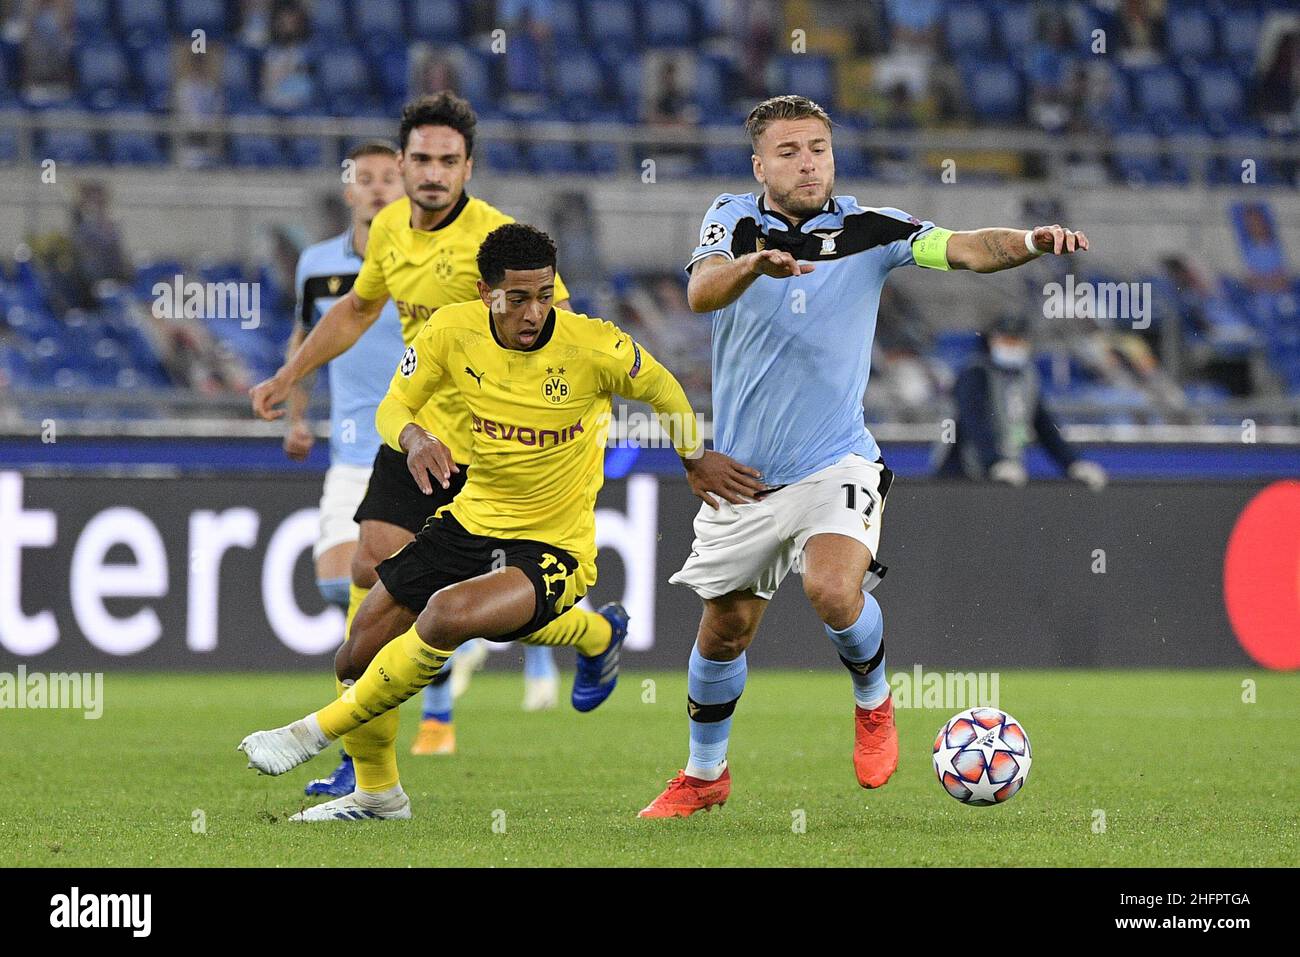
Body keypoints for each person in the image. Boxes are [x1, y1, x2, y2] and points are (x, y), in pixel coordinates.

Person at [638, 94, 1090, 818]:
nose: (808, 161)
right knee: (725, 629)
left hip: (836, 460)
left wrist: (1031, 241)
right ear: (759, 164)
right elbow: (700, 291)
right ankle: (704, 773)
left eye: (818, 146)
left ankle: (874, 703)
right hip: (748, 474)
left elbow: (966, 247)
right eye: (788, 150)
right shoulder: (730, 218)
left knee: (832, 587)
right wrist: (756, 263)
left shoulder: (869, 228)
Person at [238, 224, 753, 820]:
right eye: (518, 298)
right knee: (356, 654)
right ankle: (379, 797)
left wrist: (693, 459)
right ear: (486, 292)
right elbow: (394, 404)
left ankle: (309, 733)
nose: (534, 312)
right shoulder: (450, 332)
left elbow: (663, 389)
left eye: (544, 294)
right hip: (470, 521)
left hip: (552, 550)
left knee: (447, 615)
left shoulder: (593, 346)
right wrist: (412, 438)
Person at [249, 93, 616, 793]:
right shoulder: (389, 227)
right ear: (402, 162)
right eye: (421, 158)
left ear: (468, 166)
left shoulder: (497, 240)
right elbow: (357, 308)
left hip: (489, 448)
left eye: (449, 161)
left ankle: (593, 637)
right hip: (415, 433)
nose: (434, 173)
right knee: (372, 569)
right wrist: (290, 372)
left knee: (462, 607)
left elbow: (561, 326)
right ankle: (363, 760)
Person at [281, 140, 405, 797]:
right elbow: (304, 339)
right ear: (349, 190)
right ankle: (415, 657)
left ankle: (360, 760)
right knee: (339, 588)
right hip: (352, 451)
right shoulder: (317, 264)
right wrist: (296, 414)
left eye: (391, 177)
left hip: (418, 457)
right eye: (367, 178)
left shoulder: (422, 262)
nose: (380, 187)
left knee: (376, 605)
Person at [933, 313, 1107, 490]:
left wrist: (1073, 463)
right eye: (1006, 341)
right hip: (960, 473)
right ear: (992, 341)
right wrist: (995, 462)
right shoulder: (974, 373)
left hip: (1004, 471)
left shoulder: (1027, 376)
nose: (1012, 347)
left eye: (1017, 341)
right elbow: (975, 422)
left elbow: (1043, 425)